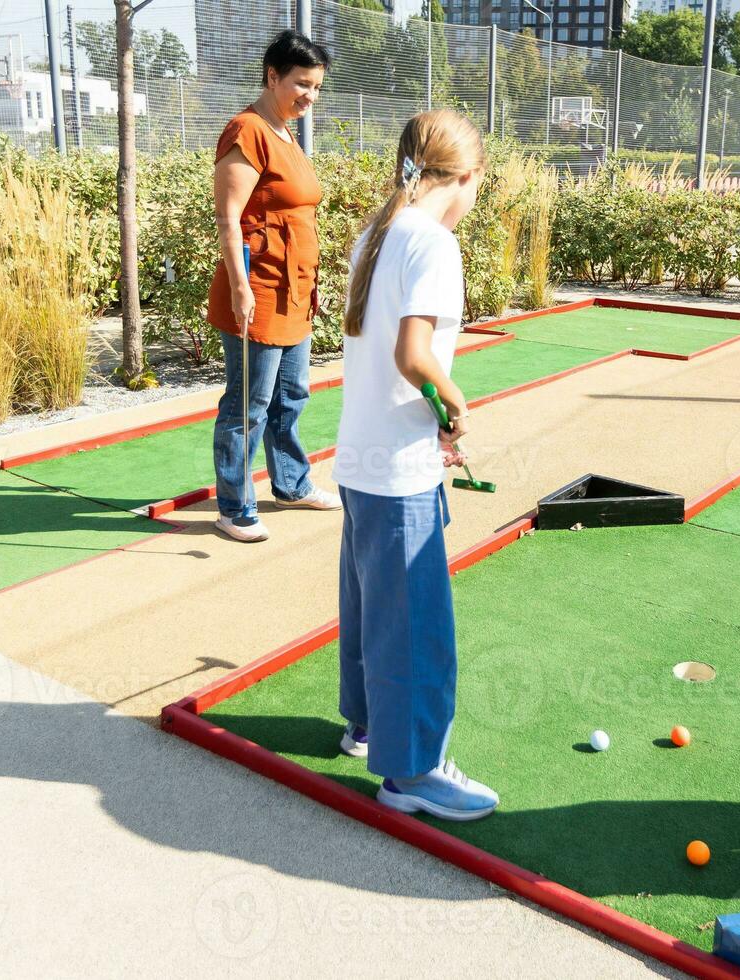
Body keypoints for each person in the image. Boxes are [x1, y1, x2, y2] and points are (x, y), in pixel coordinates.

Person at [330, 109, 498, 822]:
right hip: (395, 467)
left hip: (360, 453)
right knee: (418, 625)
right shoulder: (434, 242)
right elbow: (414, 355)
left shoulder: (377, 231)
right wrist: (456, 406)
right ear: (466, 177)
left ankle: (367, 727)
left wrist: (434, 416)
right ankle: (413, 772)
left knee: (370, 601)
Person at [207, 30, 341, 543]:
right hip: (259, 290)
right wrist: (240, 288)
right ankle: (234, 505)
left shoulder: (286, 133)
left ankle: (291, 484)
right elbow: (228, 217)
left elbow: (297, 214)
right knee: (249, 403)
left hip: (295, 291)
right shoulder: (248, 130)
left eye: (316, 87)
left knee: (292, 396)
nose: (310, 96)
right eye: (301, 84)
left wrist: (311, 281)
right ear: (272, 76)